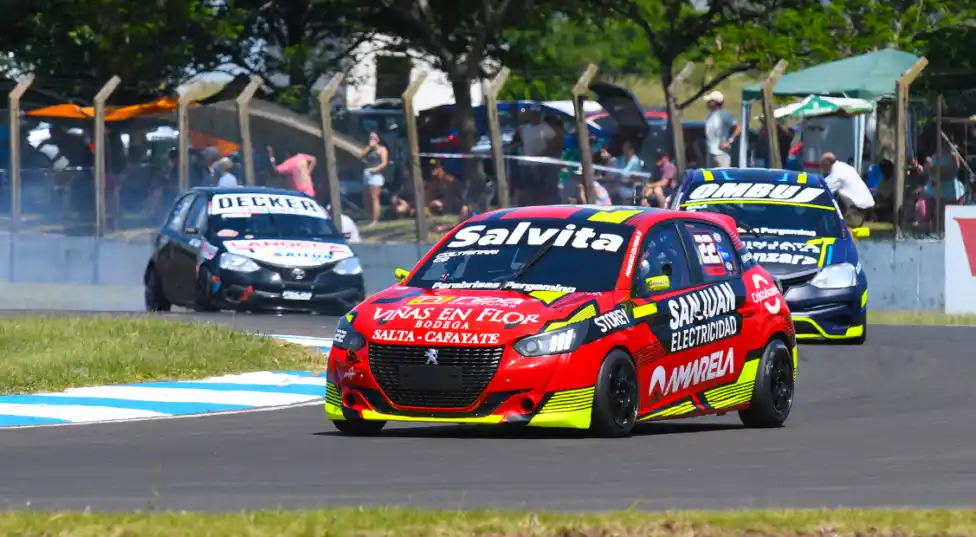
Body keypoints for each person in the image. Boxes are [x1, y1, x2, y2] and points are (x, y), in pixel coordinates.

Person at [820, 152, 875, 227]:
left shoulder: (837, 174)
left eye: (822, 164)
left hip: (858, 211)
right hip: (865, 208)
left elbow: (823, 190)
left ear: (827, 162)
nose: (821, 167)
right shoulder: (845, 167)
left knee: (831, 225)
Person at [703, 91, 740, 168]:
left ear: (716, 103)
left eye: (710, 101)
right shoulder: (709, 115)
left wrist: (729, 141)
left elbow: (737, 128)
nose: (707, 103)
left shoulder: (725, 115)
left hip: (722, 154)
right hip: (710, 153)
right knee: (709, 175)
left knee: (723, 174)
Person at [359, 131, 389, 226]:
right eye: (370, 137)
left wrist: (375, 169)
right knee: (366, 197)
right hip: (367, 172)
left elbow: (384, 162)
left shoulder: (382, 149)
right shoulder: (368, 149)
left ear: (378, 139)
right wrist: (369, 147)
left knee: (374, 197)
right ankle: (369, 217)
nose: (372, 139)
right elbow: (360, 155)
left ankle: (375, 220)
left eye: (374, 138)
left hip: (376, 174)